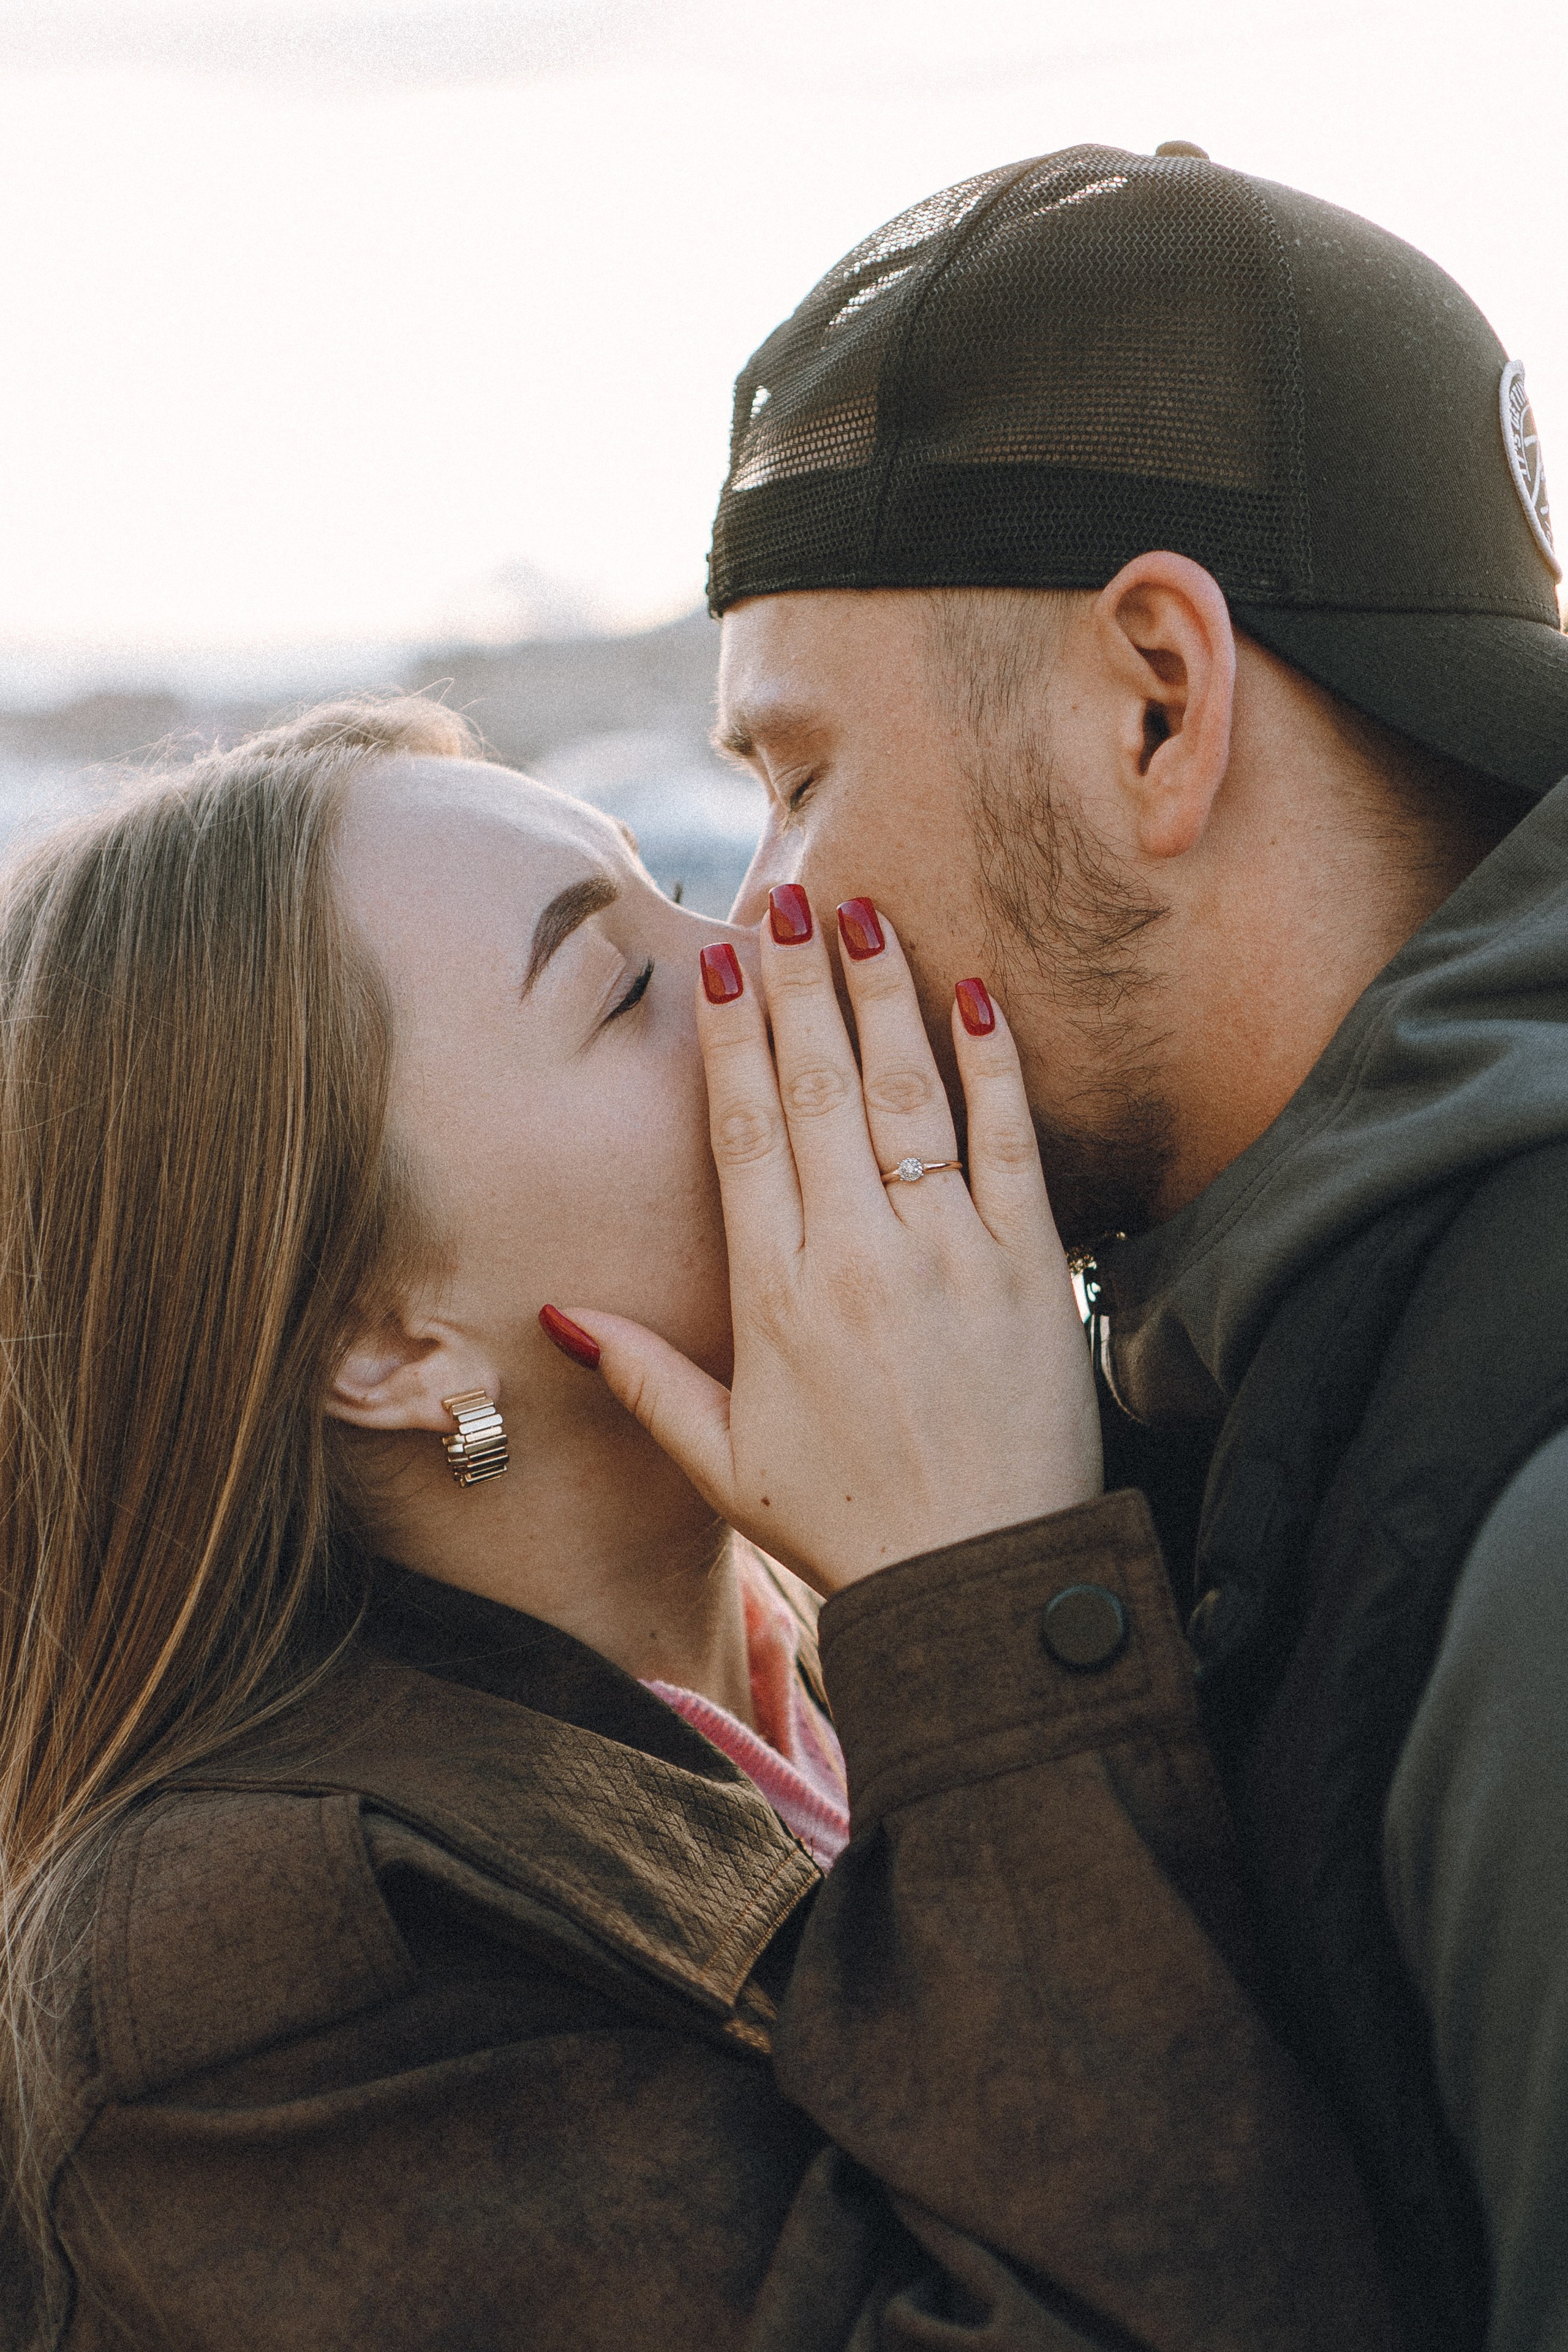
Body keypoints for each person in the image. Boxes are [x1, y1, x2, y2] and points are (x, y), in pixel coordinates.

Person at [0, 698, 1392, 2349]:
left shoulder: (814, 1634)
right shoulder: (240, 1982)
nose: (743, 936)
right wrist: (980, 1594)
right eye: (625, 986)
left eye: (667, 880)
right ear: (378, 1343)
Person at [594, 139, 1568, 2352]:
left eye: (800, 772)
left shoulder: (1530, 1494)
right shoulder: (1273, 1344)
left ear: (1156, 701)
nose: (754, 915)